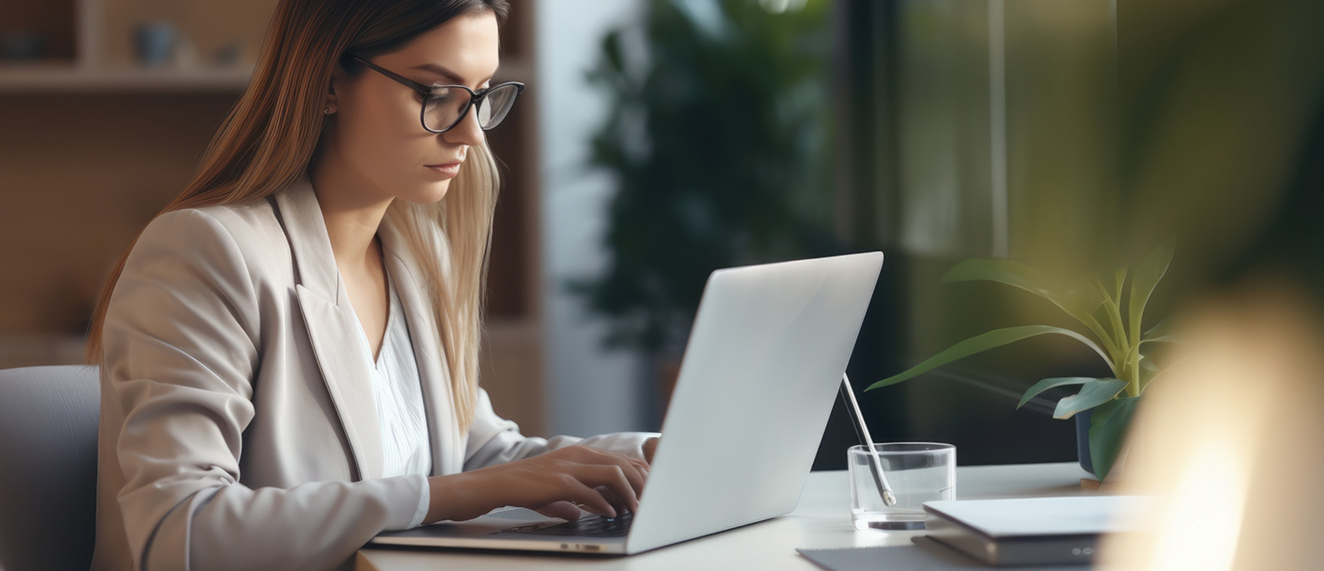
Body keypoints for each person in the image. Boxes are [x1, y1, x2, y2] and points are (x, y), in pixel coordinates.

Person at [86, 1, 658, 569]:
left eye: (482, 96)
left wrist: (658, 450)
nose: (471, 135)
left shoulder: (417, 259)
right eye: (436, 95)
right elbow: (178, 531)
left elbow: (482, 455)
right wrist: (457, 493)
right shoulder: (209, 251)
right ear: (329, 81)